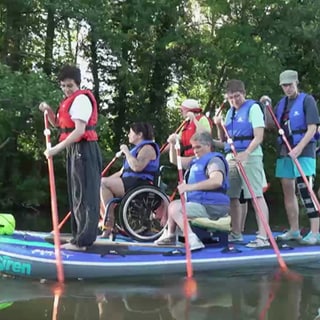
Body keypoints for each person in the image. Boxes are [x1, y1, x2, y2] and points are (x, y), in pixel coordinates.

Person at [39, 65, 102, 251]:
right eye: (63, 86)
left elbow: (79, 131)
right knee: (76, 195)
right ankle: (78, 237)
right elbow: (59, 124)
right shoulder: (69, 101)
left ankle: (83, 241)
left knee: (85, 195)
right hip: (74, 150)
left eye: (70, 86)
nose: (66, 90)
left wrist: (55, 149)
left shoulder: (81, 100)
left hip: (84, 148)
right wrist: (48, 109)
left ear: (78, 84)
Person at [214, 79, 270, 248]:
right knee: (232, 196)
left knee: (256, 195)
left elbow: (259, 137)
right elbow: (224, 140)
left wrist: (246, 153)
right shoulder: (230, 112)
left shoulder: (253, 108)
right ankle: (236, 233)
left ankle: (263, 236)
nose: (234, 100)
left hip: (250, 156)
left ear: (243, 94)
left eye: (237, 96)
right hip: (232, 157)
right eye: (230, 97)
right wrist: (219, 125)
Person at [155, 131, 230, 250]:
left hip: (213, 206)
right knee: (173, 205)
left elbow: (216, 181)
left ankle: (191, 238)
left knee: (176, 208)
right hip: (200, 203)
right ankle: (171, 235)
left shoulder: (214, 161)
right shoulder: (194, 160)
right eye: (193, 147)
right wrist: (174, 144)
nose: (195, 150)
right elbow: (175, 160)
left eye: (198, 147)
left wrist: (189, 187)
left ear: (209, 146)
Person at [269, 70, 320, 244]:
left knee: (305, 190)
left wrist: (298, 148)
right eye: (284, 85)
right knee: (288, 190)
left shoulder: (307, 100)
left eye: (290, 84)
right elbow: (270, 124)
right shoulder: (281, 104)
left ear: (296, 83)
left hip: (304, 150)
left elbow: (312, 128)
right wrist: (265, 106)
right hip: (285, 150)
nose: (287, 88)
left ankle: (315, 232)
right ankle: (294, 230)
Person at [100, 122, 160, 238]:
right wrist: (101, 180)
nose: (128, 135)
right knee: (101, 184)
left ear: (139, 135)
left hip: (140, 184)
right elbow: (122, 172)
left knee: (104, 184)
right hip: (129, 182)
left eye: (130, 132)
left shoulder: (148, 148)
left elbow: (137, 167)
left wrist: (126, 152)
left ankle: (109, 224)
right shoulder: (135, 150)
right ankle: (108, 224)